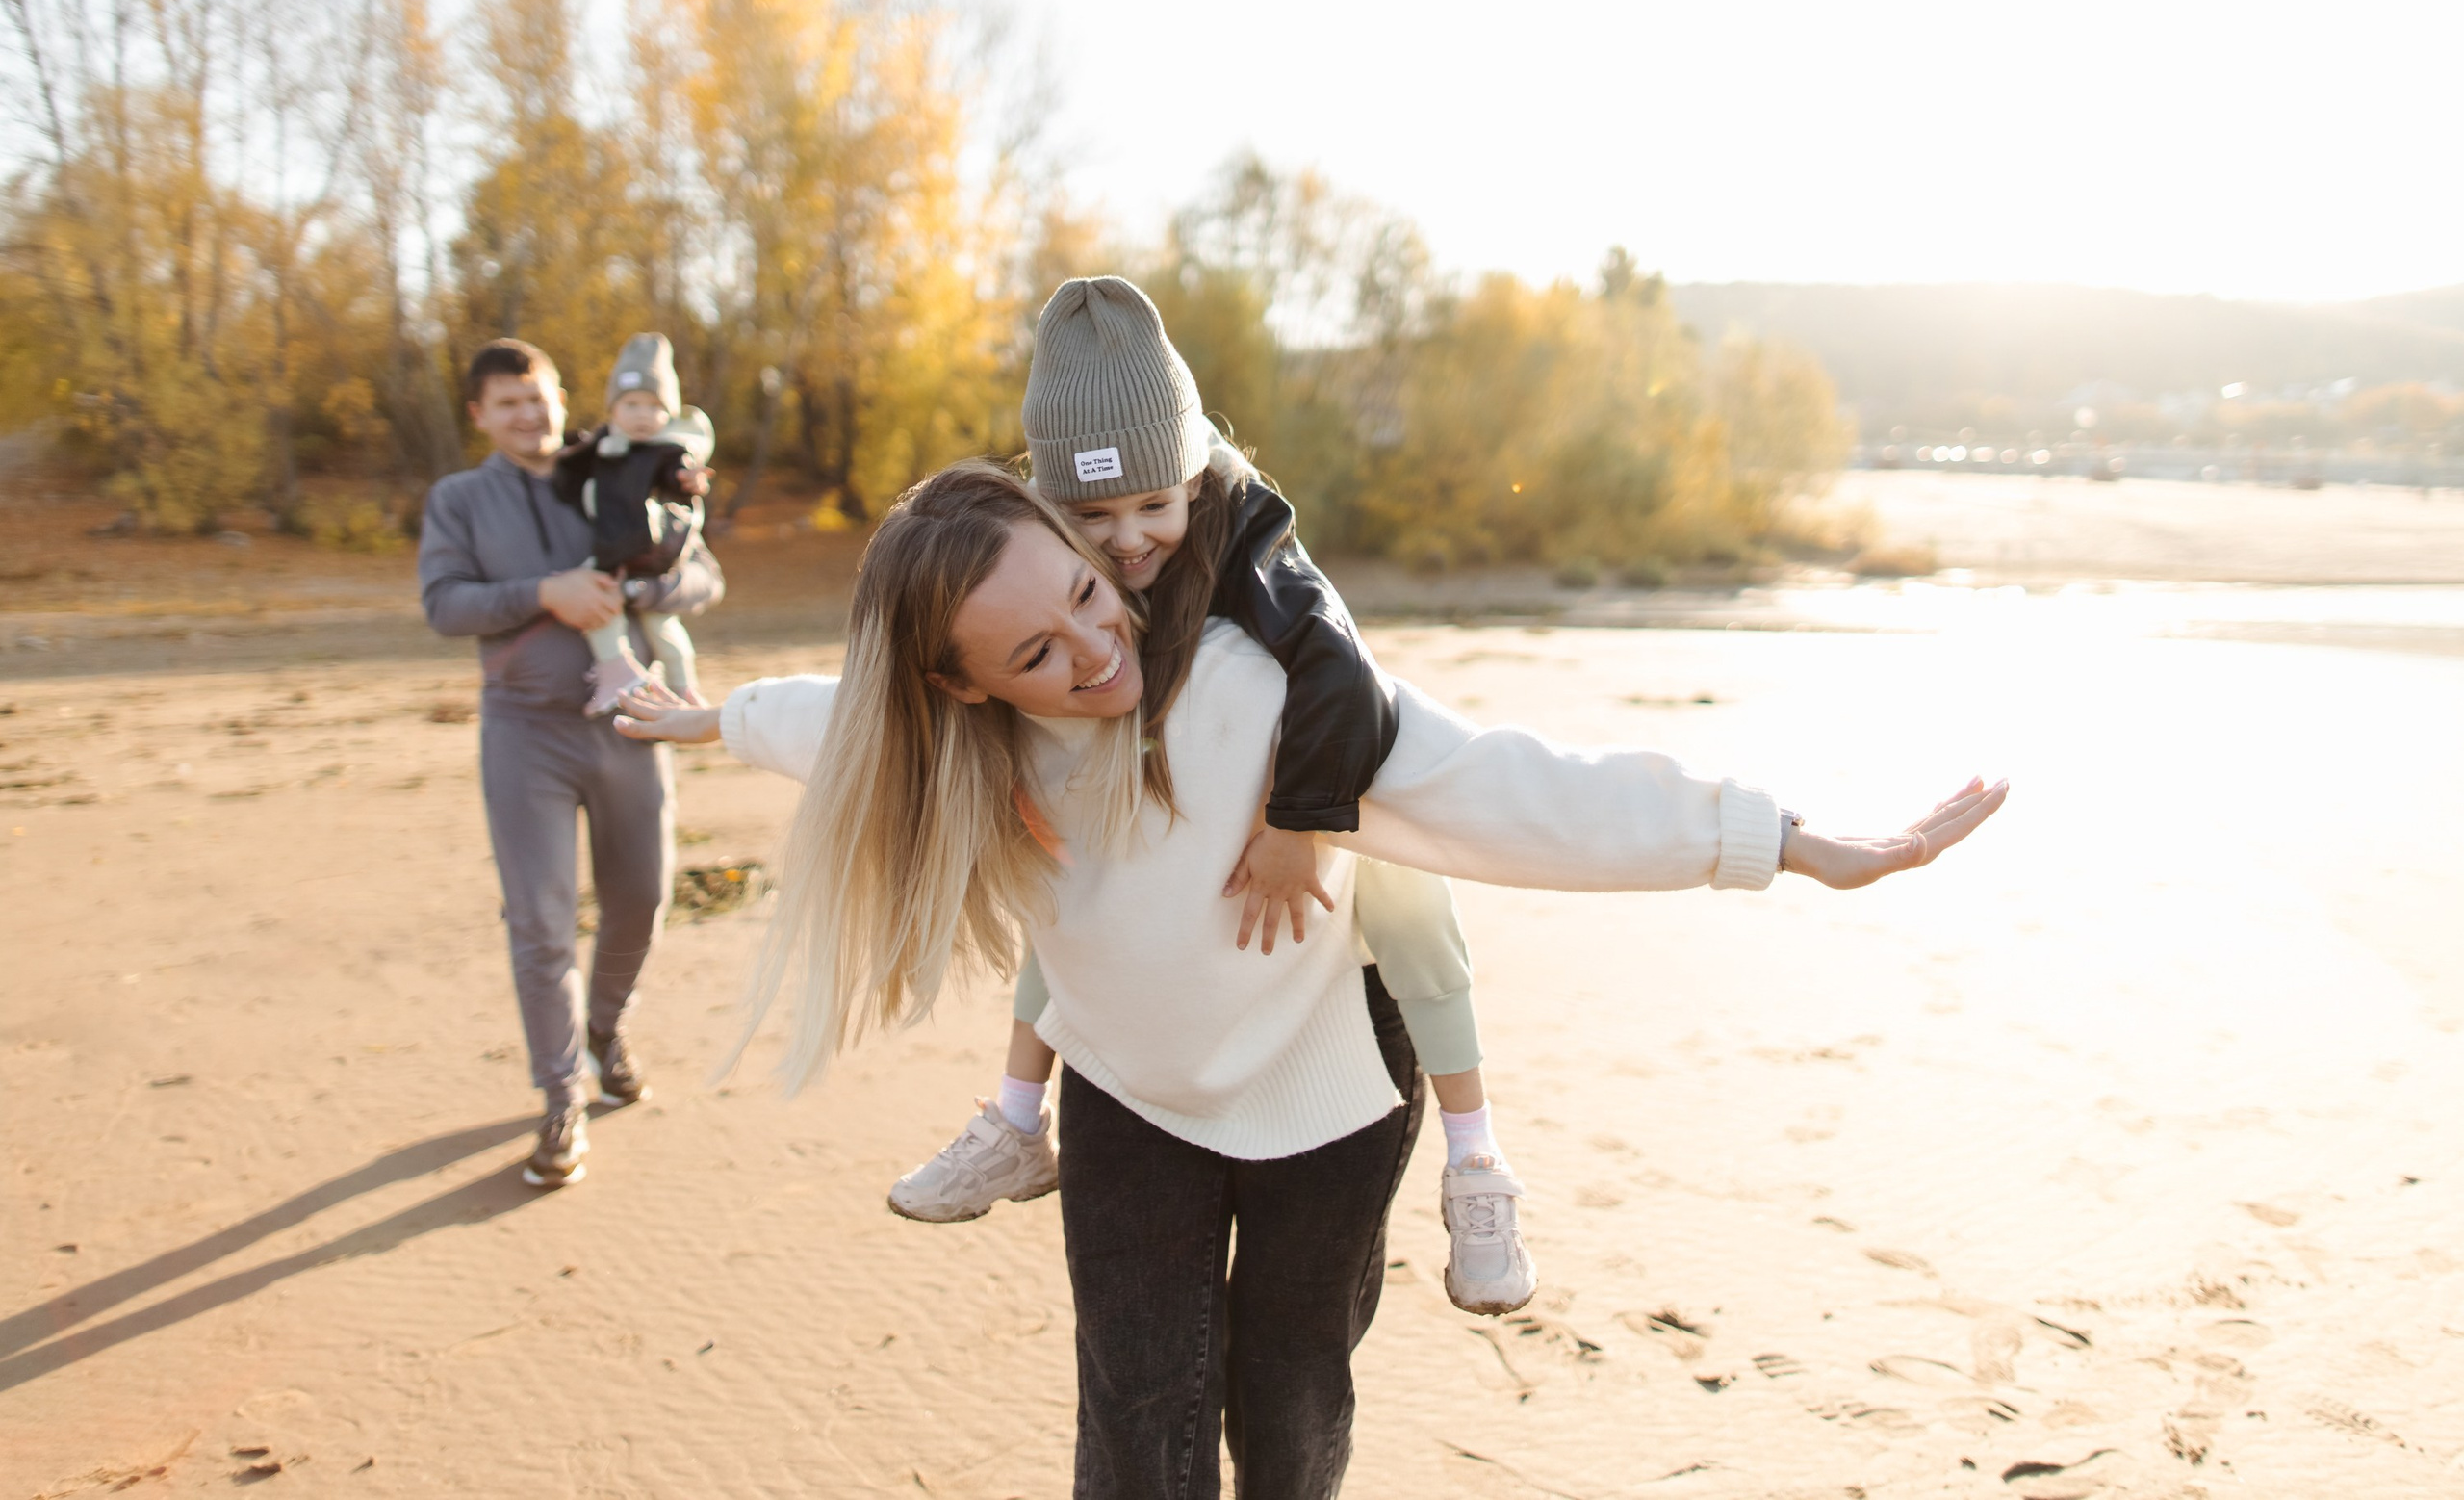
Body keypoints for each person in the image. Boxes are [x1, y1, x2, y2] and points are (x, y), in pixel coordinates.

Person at [616, 460, 2004, 1496]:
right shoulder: (960, 746)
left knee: (1285, 1415)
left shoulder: (1244, 696)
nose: (1097, 649)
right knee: (1136, 1420)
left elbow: (1502, 787)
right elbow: (831, 715)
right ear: (961, 684)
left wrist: (1785, 840)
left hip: (1329, 1106)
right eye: (1036, 651)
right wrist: (706, 715)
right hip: (1134, 1105)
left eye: (1095, 596)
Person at [887, 276, 1533, 1314]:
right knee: (1066, 906)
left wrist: (1293, 828)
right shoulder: (1051, 559)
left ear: (1192, 473)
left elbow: (1342, 679)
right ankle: (1014, 1119)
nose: (1133, 538)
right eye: (1095, 517)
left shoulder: (1247, 532)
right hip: (1155, 807)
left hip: (1326, 771)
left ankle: (1475, 1156)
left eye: (1155, 504)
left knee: (1412, 901)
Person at [418, 337, 725, 1188]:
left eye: (540, 397)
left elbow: (703, 574)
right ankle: (560, 1095)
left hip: (631, 722)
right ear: (480, 414)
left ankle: (604, 1029)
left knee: (642, 897)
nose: (528, 414)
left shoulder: (613, 468)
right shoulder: (460, 499)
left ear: (562, 399)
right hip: (527, 735)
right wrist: (544, 592)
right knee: (541, 919)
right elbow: (443, 603)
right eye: (507, 402)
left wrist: (642, 591)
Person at [550, 332, 718, 715]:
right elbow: (569, 466)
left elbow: (679, 472)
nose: (642, 415)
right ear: (613, 409)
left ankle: (673, 683)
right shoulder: (605, 446)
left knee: (621, 607)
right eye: (631, 404)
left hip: (648, 552)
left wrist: (688, 478)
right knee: (649, 622)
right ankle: (636, 675)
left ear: (669, 413)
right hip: (618, 549)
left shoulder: (667, 450)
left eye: (653, 406)